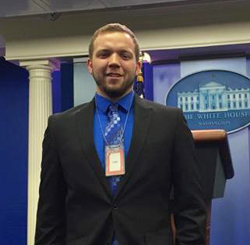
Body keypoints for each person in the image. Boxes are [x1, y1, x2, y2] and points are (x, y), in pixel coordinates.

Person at [35, 23, 207, 245]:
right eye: (104, 54)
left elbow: (191, 207)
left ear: (137, 66)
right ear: (90, 64)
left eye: (124, 55)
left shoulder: (170, 122)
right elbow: (49, 215)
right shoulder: (61, 128)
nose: (113, 62)